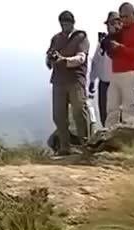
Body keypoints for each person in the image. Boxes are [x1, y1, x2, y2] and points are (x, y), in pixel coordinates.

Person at [45, 10, 91, 155]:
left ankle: (86, 144)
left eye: (67, 22)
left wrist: (64, 60)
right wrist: (50, 59)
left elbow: (81, 58)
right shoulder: (56, 39)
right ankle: (65, 147)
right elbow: (49, 57)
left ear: (72, 22)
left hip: (75, 79)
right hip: (58, 80)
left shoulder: (81, 37)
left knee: (79, 112)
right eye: (62, 22)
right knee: (59, 115)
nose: (64, 25)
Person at [105, 2, 134, 128]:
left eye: (126, 16)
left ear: (133, 14)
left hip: (130, 72)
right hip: (116, 73)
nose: (123, 20)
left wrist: (120, 47)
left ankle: (129, 136)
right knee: (112, 108)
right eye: (121, 17)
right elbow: (112, 54)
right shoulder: (121, 31)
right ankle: (108, 136)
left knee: (129, 109)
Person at [89, 11, 122, 127]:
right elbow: (96, 61)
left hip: (119, 82)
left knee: (119, 114)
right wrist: (92, 80)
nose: (112, 26)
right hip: (104, 83)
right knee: (105, 114)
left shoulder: (124, 40)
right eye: (110, 23)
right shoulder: (102, 42)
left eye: (116, 23)